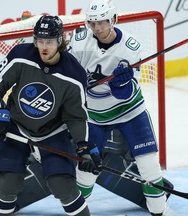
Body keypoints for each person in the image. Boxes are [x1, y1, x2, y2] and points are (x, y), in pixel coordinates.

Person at [0, 15, 102, 216]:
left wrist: (83, 146)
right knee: (7, 185)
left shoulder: (75, 74)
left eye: (49, 42)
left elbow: (76, 117)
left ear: (60, 41)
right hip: (16, 127)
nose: (44, 47)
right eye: (40, 41)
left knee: (64, 187)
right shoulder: (20, 56)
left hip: (53, 133)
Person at [68, 0, 171, 215]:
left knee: (148, 165)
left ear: (113, 20)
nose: (97, 28)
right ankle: (77, 212)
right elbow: (67, 74)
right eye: (93, 23)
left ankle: (160, 211)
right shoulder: (79, 41)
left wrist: (121, 84)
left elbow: (127, 93)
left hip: (130, 113)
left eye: (102, 23)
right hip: (94, 116)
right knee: (86, 169)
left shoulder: (130, 48)